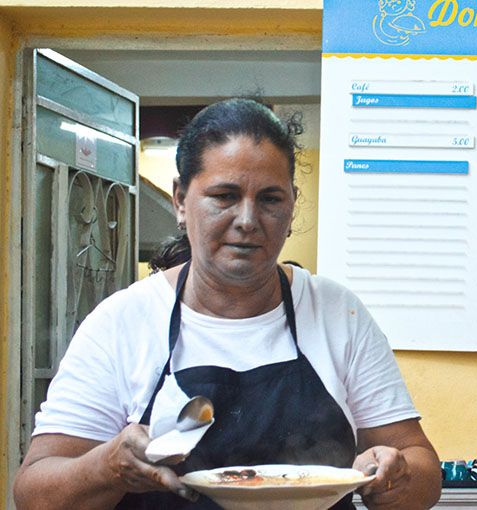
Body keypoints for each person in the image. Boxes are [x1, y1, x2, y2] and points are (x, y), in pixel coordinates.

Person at [13, 98, 442, 509]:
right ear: (181, 200)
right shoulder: (122, 322)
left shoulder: (336, 314)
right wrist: (107, 466)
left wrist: (393, 474)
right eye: (225, 196)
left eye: (271, 199)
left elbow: (423, 472)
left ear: (292, 206)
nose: (247, 220)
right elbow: (34, 493)